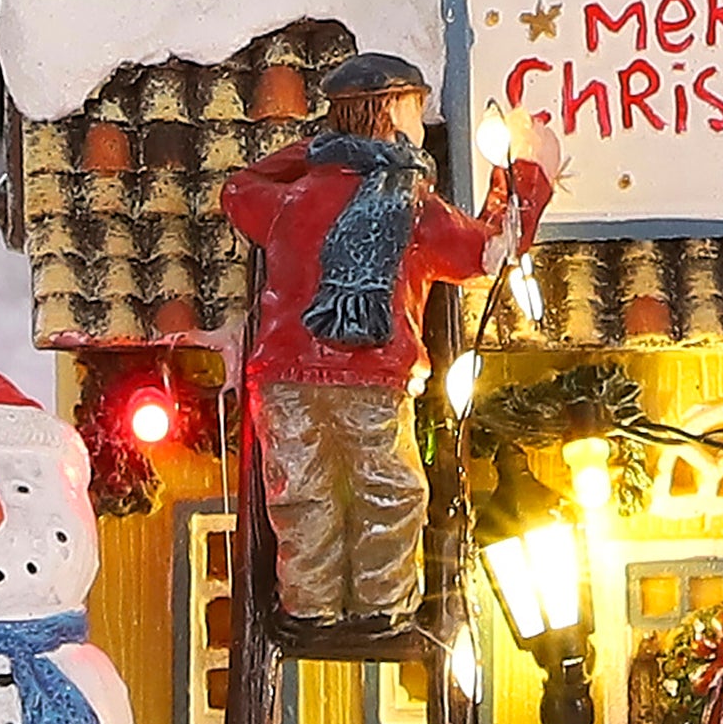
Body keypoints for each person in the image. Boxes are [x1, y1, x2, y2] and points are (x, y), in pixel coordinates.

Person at [219, 53, 555, 630]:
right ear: (394, 112)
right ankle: (381, 604)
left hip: (282, 375)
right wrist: (522, 177)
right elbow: (489, 251)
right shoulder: (411, 204)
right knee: (386, 491)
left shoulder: (291, 199)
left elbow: (237, 188)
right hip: (372, 375)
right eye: (415, 110)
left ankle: (310, 604)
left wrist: (313, 152)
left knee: (302, 494)